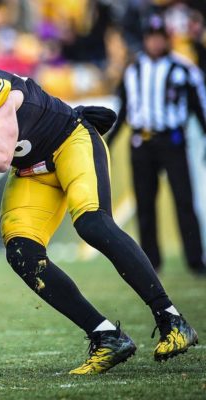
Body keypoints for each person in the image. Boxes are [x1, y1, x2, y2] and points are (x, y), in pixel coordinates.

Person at [0, 50, 199, 375]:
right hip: (31, 170)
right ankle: (106, 336)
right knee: (22, 253)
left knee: (92, 223)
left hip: (69, 141)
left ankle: (171, 318)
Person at [108, 14, 206, 276]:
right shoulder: (133, 69)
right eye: (151, 38)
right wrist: (110, 141)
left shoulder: (184, 69)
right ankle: (151, 262)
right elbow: (125, 109)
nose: (155, 43)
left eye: (159, 38)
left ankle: (195, 259)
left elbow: (199, 108)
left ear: (166, 39)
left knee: (184, 200)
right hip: (141, 142)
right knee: (145, 204)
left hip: (172, 140)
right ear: (145, 40)